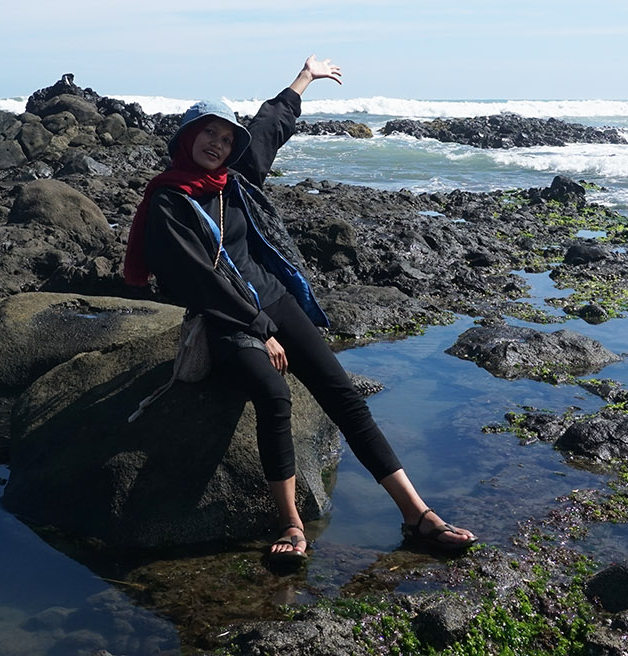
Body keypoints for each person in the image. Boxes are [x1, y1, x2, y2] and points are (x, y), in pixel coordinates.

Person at [123, 55, 477, 568]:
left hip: (274, 300)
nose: (217, 144)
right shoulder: (168, 202)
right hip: (224, 317)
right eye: (207, 133)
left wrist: (305, 77)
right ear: (185, 138)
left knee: (343, 396)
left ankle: (417, 513)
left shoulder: (235, 179)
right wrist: (260, 329)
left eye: (225, 137)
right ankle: (291, 522)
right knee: (272, 394)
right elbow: (197, 278)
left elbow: (272, 124)